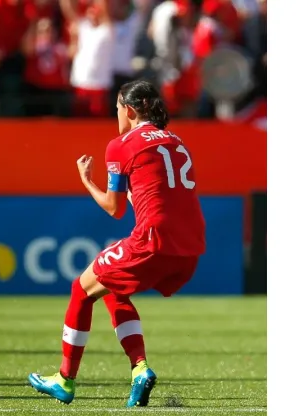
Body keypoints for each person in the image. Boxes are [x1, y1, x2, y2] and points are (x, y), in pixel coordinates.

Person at [27, 80, 206, 407]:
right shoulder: (178, 141)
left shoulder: (121, 144)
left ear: (131, 110)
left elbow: (114, 207)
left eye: (117, 109)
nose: (117, 116)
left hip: (153, 240)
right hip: (191, 247)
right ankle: (140, 370)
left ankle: (65, 380)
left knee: (81, 289)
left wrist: (86, 181)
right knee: (112, 288)